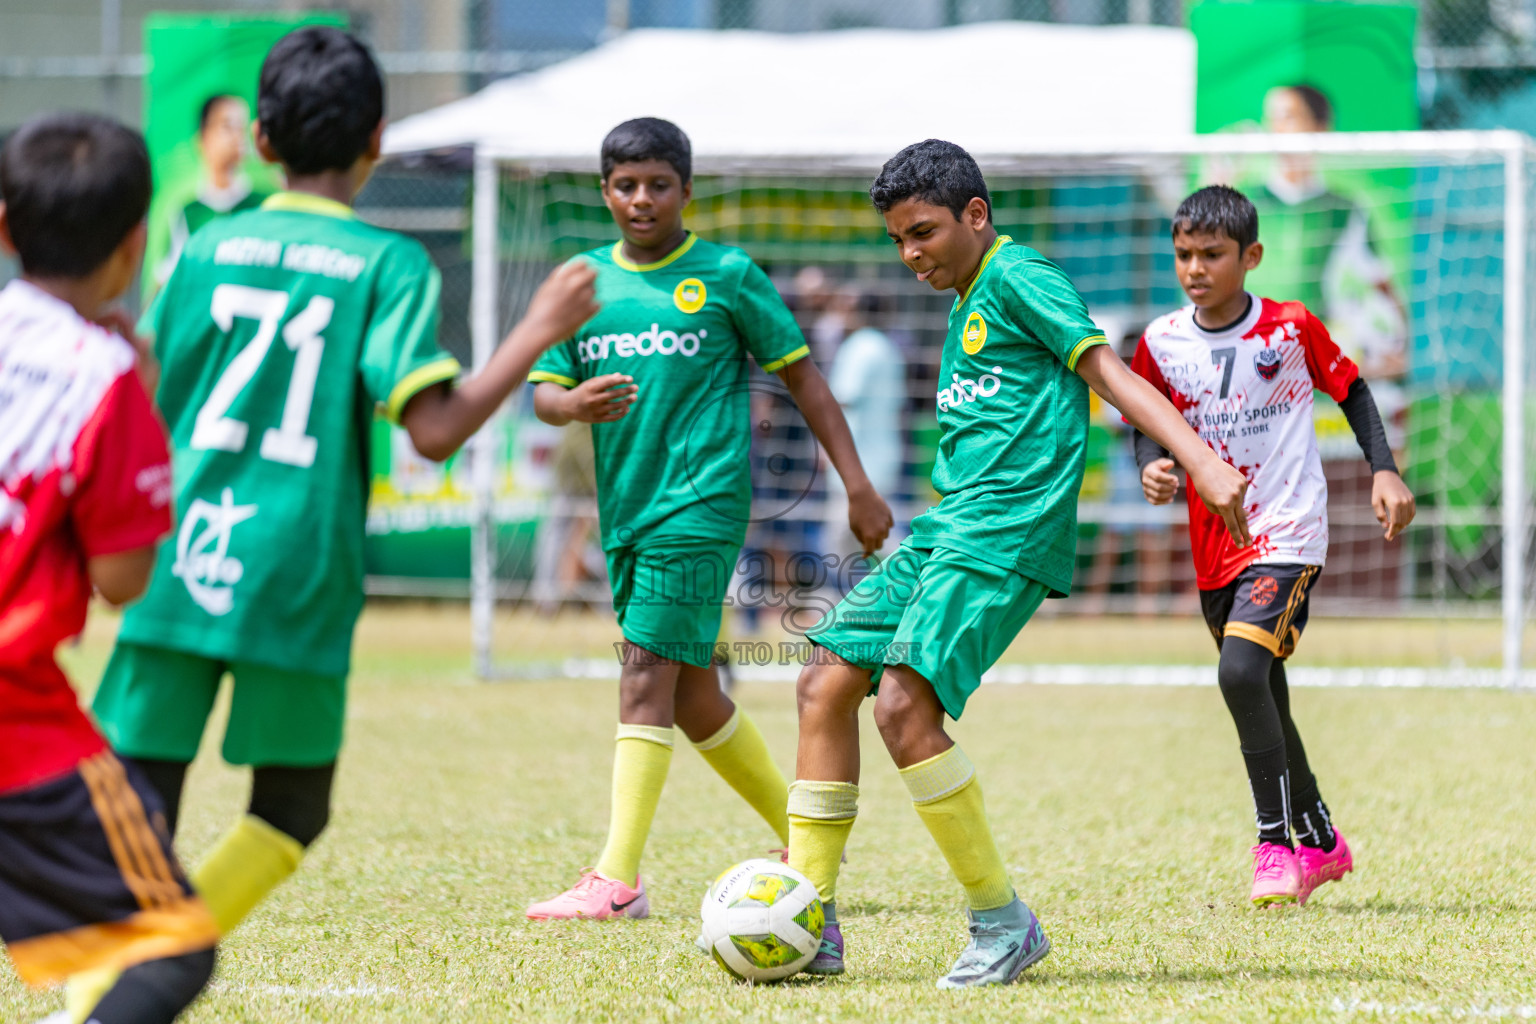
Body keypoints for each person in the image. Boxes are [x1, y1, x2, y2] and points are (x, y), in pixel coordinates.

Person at [75, 26, 598, 1019]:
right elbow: (435, 428)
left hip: (183, 553)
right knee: (290, 808)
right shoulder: (386, 263)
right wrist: (536, 329)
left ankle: (117, 984)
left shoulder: (205, 247)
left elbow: (148, 388)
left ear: (263, 139)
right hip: (298, 563)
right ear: (378, 141)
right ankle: (143, 983)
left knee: (142, 798)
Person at [787, 140, 1251, 988]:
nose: (910, 253)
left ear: (975, 215)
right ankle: (807, 920)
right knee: (822, 681)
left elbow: (1108, 371)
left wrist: (1200, 460)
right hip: (947, 527)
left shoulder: (1018, 275)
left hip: (1005, 533)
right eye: (897, 240)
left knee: (901, 707)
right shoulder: (968, 296)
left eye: (922, 232)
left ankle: (1003, 924)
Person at [525, 117, 893, 920]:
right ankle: (798, 837)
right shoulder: (582, 283)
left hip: (700, 509)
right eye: (626, 185)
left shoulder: (726, 275)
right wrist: (569, 404)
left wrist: (858, 486)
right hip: (625, 509)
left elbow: (805, 382)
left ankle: (617, 880)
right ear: (604, 192)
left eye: (659, 183)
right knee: (692, 694)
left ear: (687, 191)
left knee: (641, 674)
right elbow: (543, 391)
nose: (642, 199)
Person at [1130, 185, 1415, 907]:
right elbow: (1146, 412)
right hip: (1213, 544)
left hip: (1286, 531)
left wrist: (1384, 468)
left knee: (1238, 673)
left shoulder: (1290, 328)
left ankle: (1273, 844)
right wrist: (1151, 463)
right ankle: (1320, 836)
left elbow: (1350, 389)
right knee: (1263, 688)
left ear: (1250, 257)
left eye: (1213, 255)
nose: (1196, 268)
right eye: (1184, 254)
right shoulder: (1160, 339)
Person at [0, 113, 219, 1024]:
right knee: (172, 950)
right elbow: (123, 580)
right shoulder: (104, 378)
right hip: (17, 727)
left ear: (5, 227)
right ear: (136, 246)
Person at [823, 285, 905, 574]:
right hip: (884, 454)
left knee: (851, 535)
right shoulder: (888, 348)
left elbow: (841, 401)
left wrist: (825, 448)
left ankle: (917, 578)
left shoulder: (858, 347)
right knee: (868, 532)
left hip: (856, 460)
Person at [154, 95, 270, 292]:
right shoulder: (190, 212)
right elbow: (168, 280)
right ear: (203, 138)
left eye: (241, 127)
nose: (237, 136)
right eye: (227, 126)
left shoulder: (262, 205)